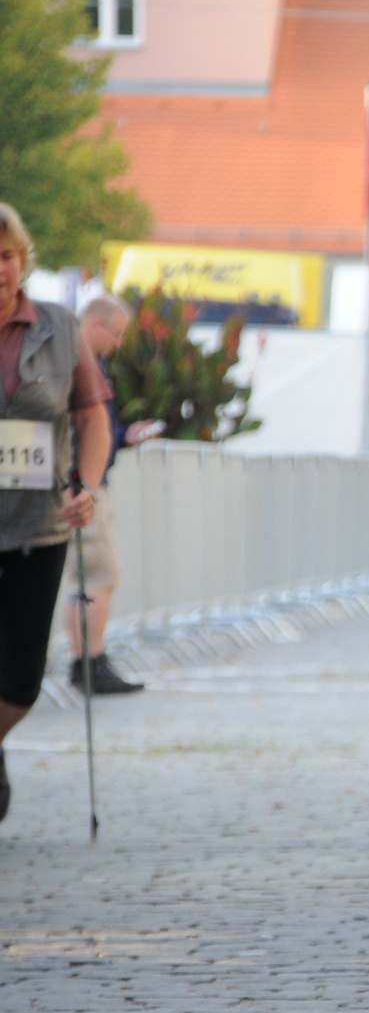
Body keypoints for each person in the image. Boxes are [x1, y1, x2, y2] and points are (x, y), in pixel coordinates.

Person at [0, 203, 112, 823]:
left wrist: (87, 486)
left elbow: (92, 418)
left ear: (23, 261)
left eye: (7, 256)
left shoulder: (61, 327)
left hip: (39, 526)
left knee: (19, 680)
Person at [58, 294, 160, 695]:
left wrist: (125, 438)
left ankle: (88, 661)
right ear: (96, 326)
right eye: (116, 334)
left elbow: (98, 431)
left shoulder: (80, 363)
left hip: (86, 482)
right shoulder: (75, 363)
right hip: (81, 487)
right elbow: (79, 430)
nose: (118, 344)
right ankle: (89, 662)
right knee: (96, 576)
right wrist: (82, 485)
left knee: (90, 577)